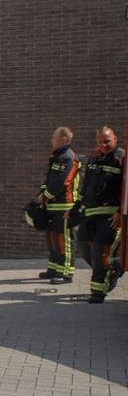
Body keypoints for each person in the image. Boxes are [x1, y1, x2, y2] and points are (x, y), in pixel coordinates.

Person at [77, 126, 124, 303]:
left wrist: (120, 212)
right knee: (83, 249)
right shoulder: (94, 158)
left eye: (107, 141)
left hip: (110, 215)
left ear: (115, 139)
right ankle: (113, 267)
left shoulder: (122, 159)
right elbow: (86, 185)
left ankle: (98, 292)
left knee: (99, 251)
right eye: (100, 141)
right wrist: (76, 209)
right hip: (89, 213)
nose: (104, 144)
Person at [36, 127, 80, 285]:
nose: (51, 140)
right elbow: (48, 179)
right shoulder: (56, 157)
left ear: (64, 139)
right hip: (52, 206)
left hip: (64, 206)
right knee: (52, 238)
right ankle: (53, 269)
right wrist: (41, 192)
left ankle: (66, 273)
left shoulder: (69, 157)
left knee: (64, 240)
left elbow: (63, 181)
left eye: (54, 137)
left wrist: (46, 195)